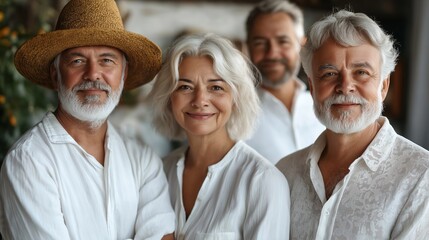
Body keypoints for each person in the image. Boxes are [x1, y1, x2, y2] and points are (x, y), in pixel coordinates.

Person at [0, 0, 175, 239]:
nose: (93, 73)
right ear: (55, 74)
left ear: (123, 74)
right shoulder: (29, 162)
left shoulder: (143, 160)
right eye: (77, 60)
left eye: (107, 60)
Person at [276, 10, 429, 239]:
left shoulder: (421, 176)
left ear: (384, 86)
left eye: (361, 72)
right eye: (329, 73)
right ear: (312, 85)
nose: (345, 86)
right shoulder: (284, 173)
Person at [148, 33, 290, 239]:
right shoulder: (157, 172)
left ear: (236, 98)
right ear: (169, 98)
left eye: (216, 87)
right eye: (185, 87)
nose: (200, 100)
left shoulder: (262, 180)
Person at [245, 0, 325, 164]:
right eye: (260, 43)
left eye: (283, 41)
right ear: (248, 47)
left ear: (302, 46)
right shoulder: (235, 115)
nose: (272, 53)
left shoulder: (326, 106)